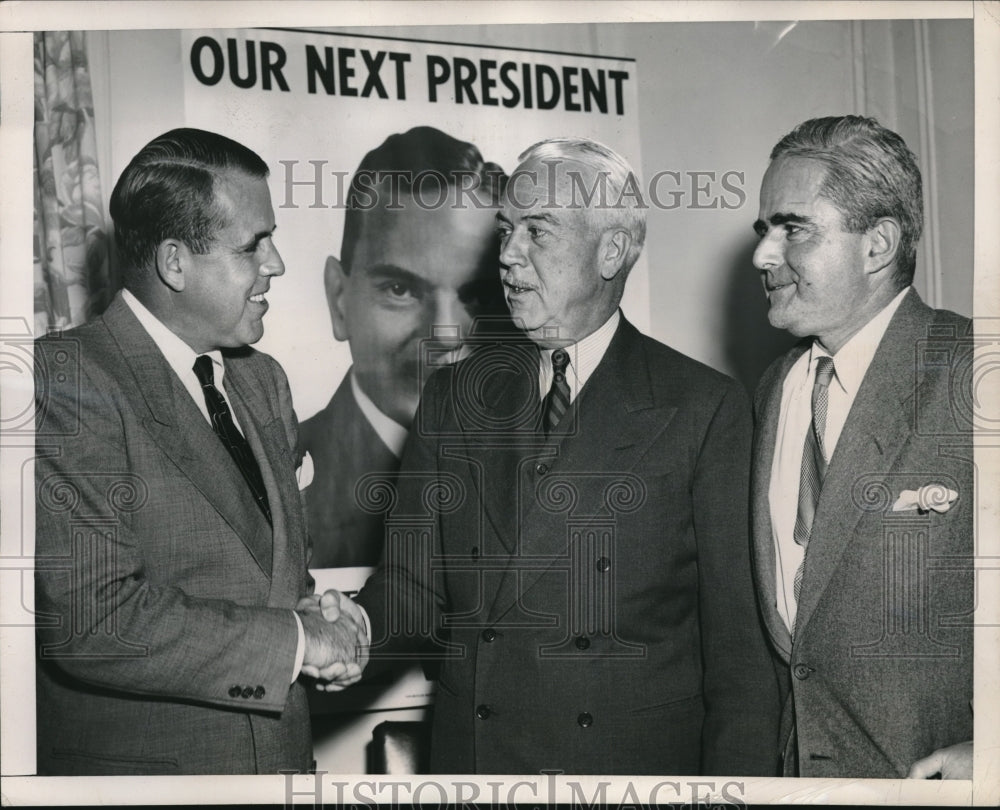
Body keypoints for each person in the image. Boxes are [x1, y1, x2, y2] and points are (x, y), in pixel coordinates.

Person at [318, 137, 779, 774]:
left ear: (611, 250)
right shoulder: (453, 396)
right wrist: (357, 629)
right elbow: (413, 584)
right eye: (506, 229)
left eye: (538, 231)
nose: (507, 255)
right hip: (478, 766)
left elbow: (741, 665)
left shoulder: (703, 409)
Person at [33, 128, 364, 775]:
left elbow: (269, 582)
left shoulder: (262, 381)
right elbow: (95, 621)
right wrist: (298, 642)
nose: (277, 265)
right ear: (175, 262)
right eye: (253, 246)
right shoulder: (65, 381)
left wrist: (320, 616)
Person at [749, 115, 973, 778]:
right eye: (762, 231)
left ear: (877, 244)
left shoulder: (973, 373)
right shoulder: (775, 387)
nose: (762, 255)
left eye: (793, 228)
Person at [300, 126, 508, 568]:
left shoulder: (553, 469)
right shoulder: (276, 482)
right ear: (339, 300)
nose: (446, 334)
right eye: (400, 289)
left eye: (477, 296)